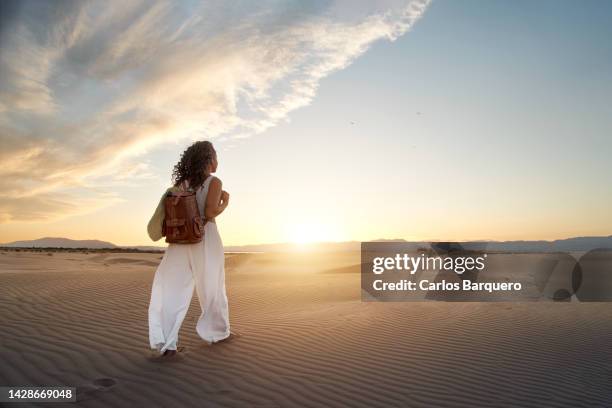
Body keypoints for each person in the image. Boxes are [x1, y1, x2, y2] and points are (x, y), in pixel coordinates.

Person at [147, 140, 231, 357]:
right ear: (209, 159)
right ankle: (217, 333)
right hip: (205, 237)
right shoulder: (214, 181)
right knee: (212, 287)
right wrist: (225, 203)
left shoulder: (180, 185)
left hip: (179, 241)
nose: (217, 160)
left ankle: (167, 343)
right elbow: (210, 213)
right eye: (215, 155)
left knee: (172, 291)